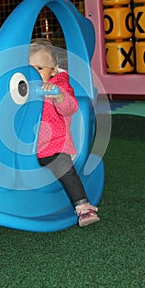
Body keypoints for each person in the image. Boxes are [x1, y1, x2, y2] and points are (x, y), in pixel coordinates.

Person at [29, 38, 100, 227]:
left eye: (40, 69)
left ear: (53, 70)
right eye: (29, 68)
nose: (34, 73)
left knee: (64, 169)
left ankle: (83, 207)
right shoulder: (24, 88)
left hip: (54, 145)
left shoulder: (59, 86)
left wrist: (59, 95)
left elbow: (70, 108)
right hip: (28, 147)